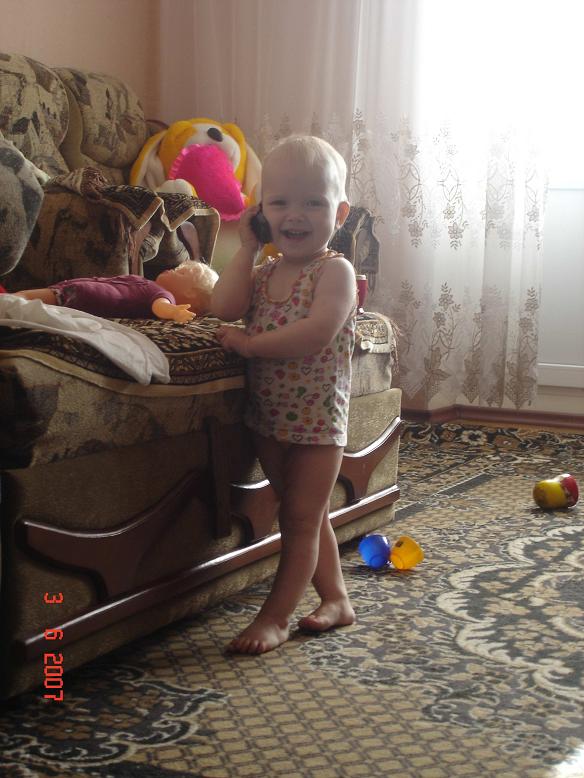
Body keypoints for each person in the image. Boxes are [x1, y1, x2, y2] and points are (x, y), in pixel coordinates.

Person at [211, 135, 358, 654]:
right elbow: (222, 306)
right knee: (307, 515)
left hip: (318, 424)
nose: (295, 215)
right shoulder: (264, 272)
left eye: (314, 202)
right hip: (269, 419)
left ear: (339, 213)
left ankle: (275, 617)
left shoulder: (334, 271)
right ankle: (336, 599)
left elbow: (316, 332)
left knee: (297, 519)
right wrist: (248, 246)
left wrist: (252, 347)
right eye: (279, 203)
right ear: (261, 212)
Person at [14, 260, 218, 322]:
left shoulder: (164, 295)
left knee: (24, 299)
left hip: (84, 295)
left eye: (180, 272)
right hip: (79, 289)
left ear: (190, 293)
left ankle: (8, 302)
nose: (171, 269)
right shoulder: (151, 286)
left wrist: (174, 312)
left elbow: (161, 307)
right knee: (26, 298)